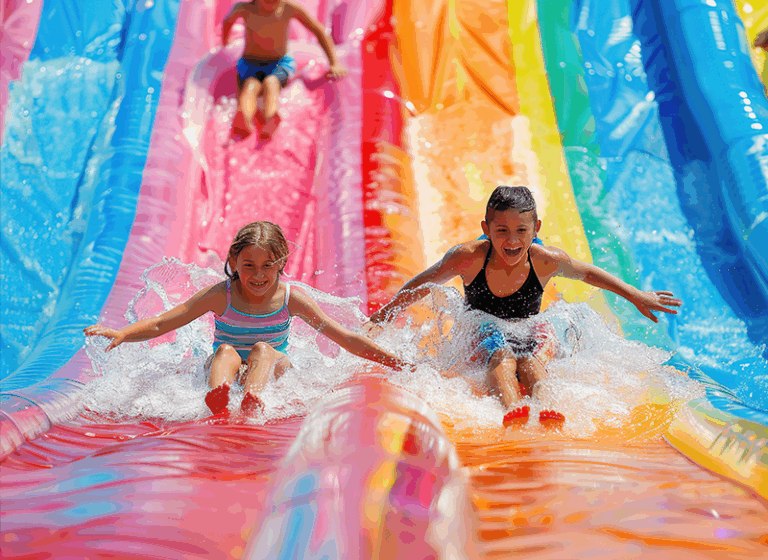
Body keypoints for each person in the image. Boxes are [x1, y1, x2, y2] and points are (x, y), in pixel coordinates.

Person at [369, 186, 682, 428]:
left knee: (531, 361)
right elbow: (423, 283)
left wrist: (636, 295)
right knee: (501, 355)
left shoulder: (545, 259)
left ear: (536, 230)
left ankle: (546, 407)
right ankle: (513, 410)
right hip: (483, 325)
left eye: (521, 230)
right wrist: (384, 315)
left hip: (530, 326)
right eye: (502, 230)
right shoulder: (468, 257)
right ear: (486, 228)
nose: (512, 240)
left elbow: (588, 273)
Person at [85, 221, 407, 416]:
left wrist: (394, 362)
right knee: (223, 352)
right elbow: (169, 320)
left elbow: (345, 338)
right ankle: (218, 399)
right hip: (230, 367)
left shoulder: (290, 298)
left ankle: (253, 399)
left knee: (264, 350)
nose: (258, 274)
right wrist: (124, 333)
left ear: (280, 264)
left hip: (270, 368)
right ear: (232, 261)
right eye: (248, 265)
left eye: (267, 265)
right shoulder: (221, 295)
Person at [221, 0, 349, 139]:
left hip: (278, 64)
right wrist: (226, 45)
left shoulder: (288, 8)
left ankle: (270, 118)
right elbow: (227, 22)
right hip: (250, 64)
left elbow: (318, 30)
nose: (271, 4)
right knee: (250, 86)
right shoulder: (244, 8)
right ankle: (244, 118)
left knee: (271, 82)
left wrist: (334, 62)